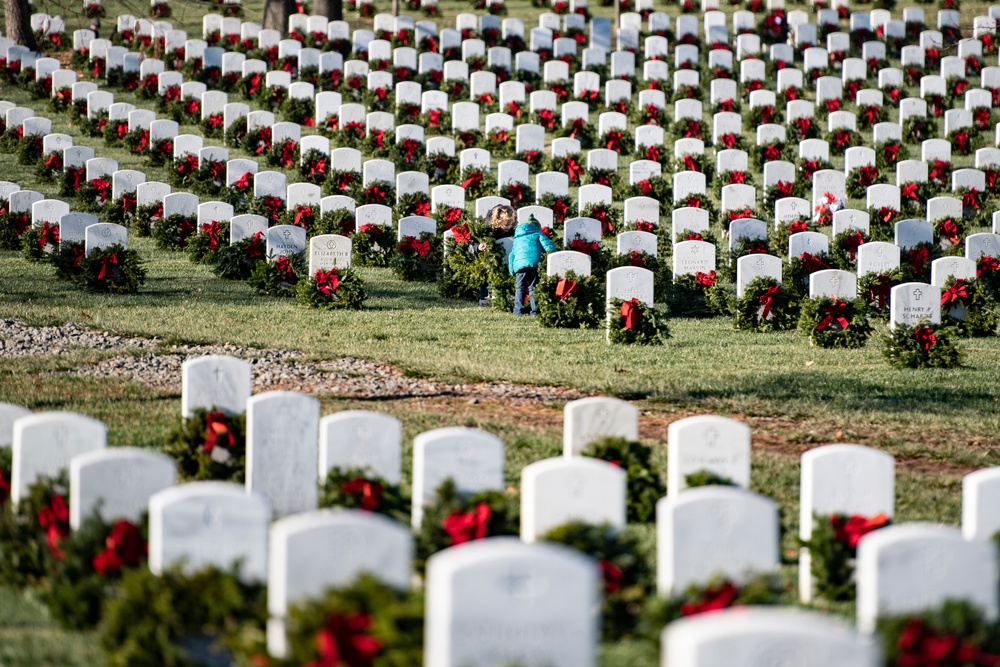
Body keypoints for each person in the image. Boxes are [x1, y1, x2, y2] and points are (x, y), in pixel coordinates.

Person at [507, 214, 558, 316]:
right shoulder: (538, 235)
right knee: (533, 287)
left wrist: (512, 270)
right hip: (534, 263)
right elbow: (549, 247)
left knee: (520, 287)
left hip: (519, 266)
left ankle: (518, 311)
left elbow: (512, 255)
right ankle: (535, 311)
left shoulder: (517, 239)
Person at [477, 204, 517, 306]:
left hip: (507, 258)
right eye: (506, 224)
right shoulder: (488, 230)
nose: (508, 227)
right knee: (486, 277)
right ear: (498, 221)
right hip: (489, 260)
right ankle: (484, 299)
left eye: (511, 224)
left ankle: (506, 298)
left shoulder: (512, 230)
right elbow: (475, 242)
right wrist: (479, 247)